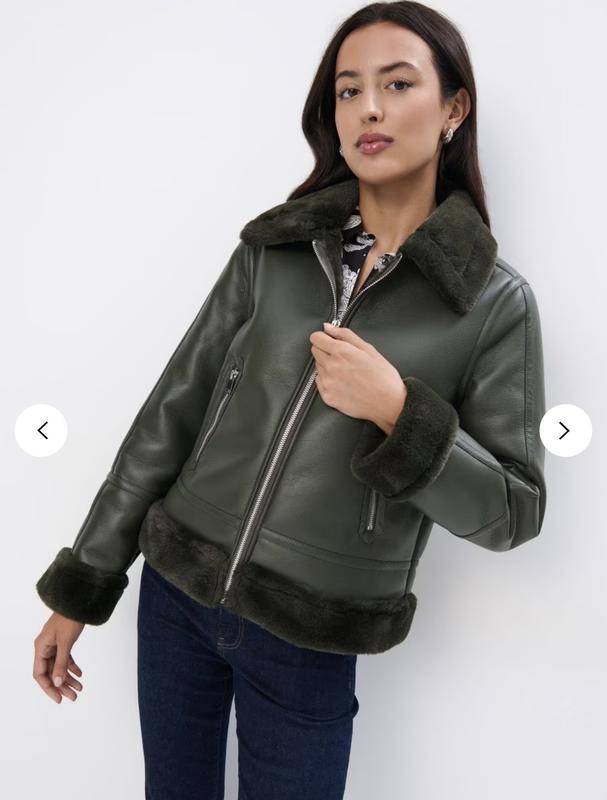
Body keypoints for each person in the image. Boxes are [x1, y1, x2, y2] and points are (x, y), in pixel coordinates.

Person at [32, 3, 547, 799]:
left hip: (309, 632)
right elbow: (170, 415)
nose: (368, 108)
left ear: (453, 108)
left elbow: (513, 512)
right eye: (347, 90)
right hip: (176, 597)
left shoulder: (490, 305)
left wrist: (397, 412)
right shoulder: (273, 250)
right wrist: (83, 588)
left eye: (396, 84)